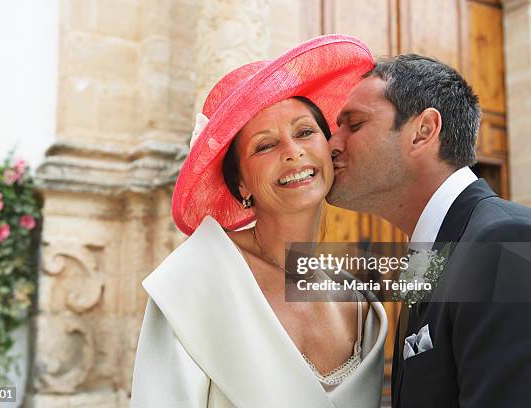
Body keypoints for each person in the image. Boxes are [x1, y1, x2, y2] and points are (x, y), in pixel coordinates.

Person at [131, 35, 388, 408]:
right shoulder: (193, 280)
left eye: (304, 132)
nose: (293, 152)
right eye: (265, 145)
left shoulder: (359, 302)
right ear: (240, 182)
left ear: (329, 149)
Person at [327, 54, 531, 408]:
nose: (333, 143)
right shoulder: (427, 256)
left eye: (355, 124)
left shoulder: (504, 242)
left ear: (423, 131)